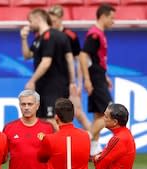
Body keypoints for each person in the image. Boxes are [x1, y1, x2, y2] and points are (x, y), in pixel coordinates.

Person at [21, 8, 75, 129]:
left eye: (30, 21)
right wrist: (24, 38)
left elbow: (47, 62)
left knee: (52, 120)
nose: (29, 25)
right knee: (42, 120)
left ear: (38, 18)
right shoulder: (39, 39)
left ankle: (61, 147)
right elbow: (27, 55)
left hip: (54, 86)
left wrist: (32, 81)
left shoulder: (51, 36)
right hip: (44, 87)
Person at [79, 4, 115, 156]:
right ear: (103, 16)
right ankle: (85, 140)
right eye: (111, 18)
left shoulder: (99, 33)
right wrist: (87, 79)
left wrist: (104, 75)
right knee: (109, 112)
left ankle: (94, 148)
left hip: (99, 75)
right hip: (94, 77)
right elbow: (83, 56)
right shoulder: (94, 35)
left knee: (99, 115)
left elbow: (96, 58)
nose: (113, 22)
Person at [48, 5, 91, 132]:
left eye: (54, 21)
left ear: (61, 19)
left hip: (69, 81)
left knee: (77, 112)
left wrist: (78, 83)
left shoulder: (71, 36)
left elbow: (78, 61)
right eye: (50, 21)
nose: (52, 24)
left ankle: (93, 141)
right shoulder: (47, 35)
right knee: (53, 116)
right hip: (52, 82)